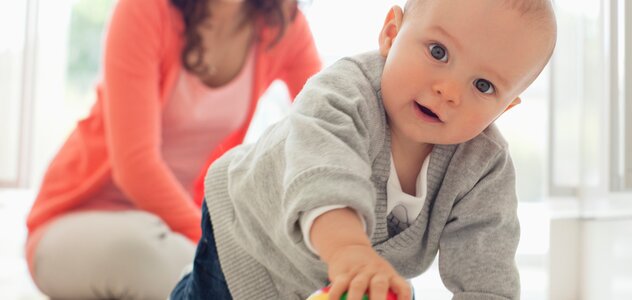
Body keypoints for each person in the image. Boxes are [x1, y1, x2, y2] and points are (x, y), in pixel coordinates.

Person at [172, 0, 557, 299]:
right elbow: (322, 179)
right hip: (249, 239)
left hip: (344, 270)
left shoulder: (483, 166)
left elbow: (486, 266)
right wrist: (349, 251)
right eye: (438, 52)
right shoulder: (342, 94)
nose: (449, 91)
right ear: (391, 33)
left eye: (484, 86)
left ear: (504, 108)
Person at [25, 0, 321, 298]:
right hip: (76, 220)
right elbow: (136, 168)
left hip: (175, 226)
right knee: (182, 262)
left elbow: (325, 126)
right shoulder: (144, 9)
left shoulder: (284, 25)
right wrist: (217, 242)